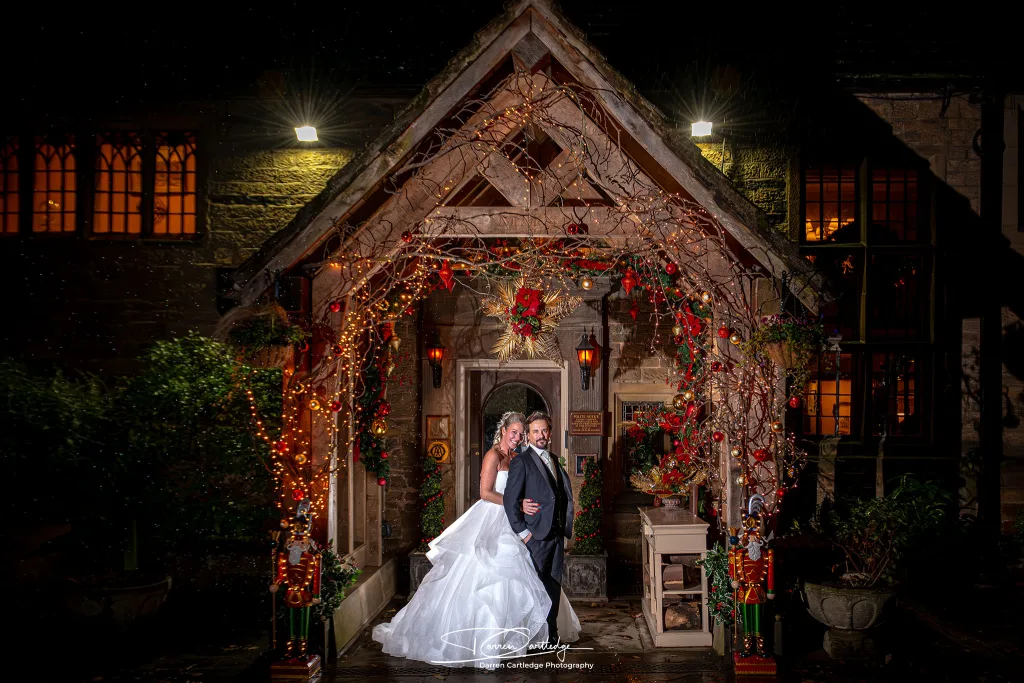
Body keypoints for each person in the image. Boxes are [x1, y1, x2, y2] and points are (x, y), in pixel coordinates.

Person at [372, 411, 579, 669]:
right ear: (502, 430)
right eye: (512, 432)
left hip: (518, 518)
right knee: (487, 574)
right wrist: (515, 503)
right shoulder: (493, 455)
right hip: (493, 517)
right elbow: (484, 492)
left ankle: (530, 632)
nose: (516, 437)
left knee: (527, 576)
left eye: (519, 433)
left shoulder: (520, 457)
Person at [503, 411, 577, 646]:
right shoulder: (521, 462)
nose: (541, 435)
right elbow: (509, 500)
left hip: (555, 534)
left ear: (551, 433)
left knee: (553, 585)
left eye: (544, 430)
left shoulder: (554, 459)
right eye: (535, 431)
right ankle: (532, 636)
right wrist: (524, 534)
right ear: (528, 436)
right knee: (534, 587)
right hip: (535, 536)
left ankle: (551, 634)